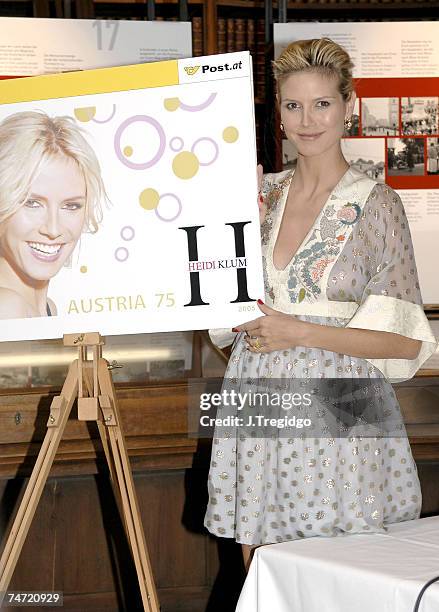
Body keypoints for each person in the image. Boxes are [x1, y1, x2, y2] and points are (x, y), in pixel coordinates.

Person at [204, 38, 438, 572]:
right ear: (278, 114)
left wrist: (301, 332)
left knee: (343, 575)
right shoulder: (257, 199)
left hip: (344, 410)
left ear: (347, 107)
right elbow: (222, 312)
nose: (307, 120)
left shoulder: (378, 205)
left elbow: (404, 342)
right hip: (258, 401)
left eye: (322, 104)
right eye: (293, 105)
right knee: (264, 575)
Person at [0, 111, 106, 319]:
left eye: (71, 206)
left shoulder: (48, 308)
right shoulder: (7, 308)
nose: (53, 229)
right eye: (32, 203)